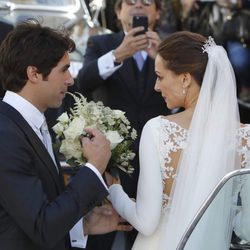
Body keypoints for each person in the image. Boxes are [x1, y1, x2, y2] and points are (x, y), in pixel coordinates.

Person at [106, 31, 250, 249]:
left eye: (160, 76)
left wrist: (115, 192)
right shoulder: (246, 138)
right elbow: (246, 228)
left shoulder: (158, 130)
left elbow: (146, 222)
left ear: (185, 78)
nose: (156, 86)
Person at [0, 20, 132, 250]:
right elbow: (42, 227)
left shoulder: (27, 123)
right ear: (34, 73)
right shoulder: (5, 134)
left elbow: (31, 218)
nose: (70, 80)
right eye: (63, 69)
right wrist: (94, 167)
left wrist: (82, 225)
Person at [77, 1, 170, 247]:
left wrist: (166, 58)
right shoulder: (102, 44)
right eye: (130, 2)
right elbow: (83, 82)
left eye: (147, 2)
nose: (138, 5)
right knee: (102, 234)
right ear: (118, 12)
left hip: (159, 162)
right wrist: (119, 54)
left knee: (147, 236)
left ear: (157, 13)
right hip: (112, 161)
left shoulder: (171, 47)